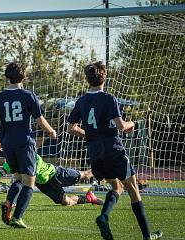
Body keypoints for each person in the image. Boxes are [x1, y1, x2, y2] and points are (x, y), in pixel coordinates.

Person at [67, 61, 162, 240]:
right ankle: (147, 236)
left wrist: (90, 135)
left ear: (87, 79)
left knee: (116, 187)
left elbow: (71, 128)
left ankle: (104, 216)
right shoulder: (109, 98)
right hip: (113, 149)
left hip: (95, 153)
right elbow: (120, 126)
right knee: (134, 190)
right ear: (105, 77)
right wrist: (132, 123)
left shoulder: (81, 101)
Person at [0, 62, 57, 228]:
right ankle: (17, 218)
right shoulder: (28, 95)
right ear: (23, 77)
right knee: (29, 183)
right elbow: (39, 120)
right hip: (24, 142)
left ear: (7, 77)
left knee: (17, 178)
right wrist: (51, 131)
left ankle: (8, 202)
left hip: (7, 143)